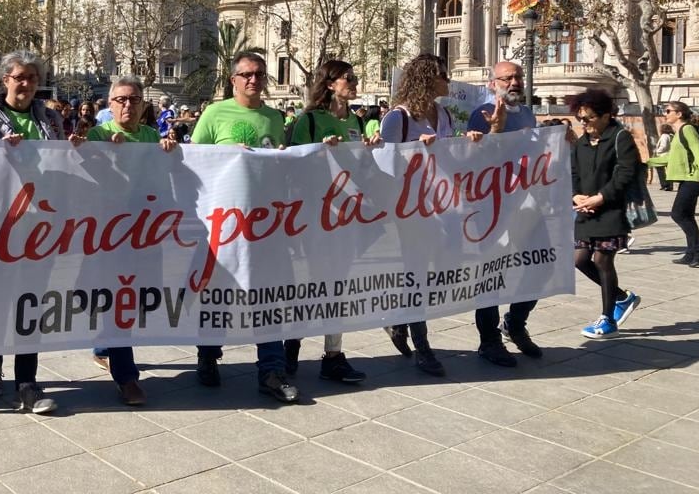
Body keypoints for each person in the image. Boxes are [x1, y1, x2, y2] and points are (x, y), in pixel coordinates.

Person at [190, 51, 298, 403]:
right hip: (223, 224)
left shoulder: (274, 117)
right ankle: (208, 354)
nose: (254, 80)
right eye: (247, 74)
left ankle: (271, 369)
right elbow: (194, 161)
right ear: (233, 79)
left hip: (266, 223)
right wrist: (226, 156)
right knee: (218, 290)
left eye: (260, 74)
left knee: (269, 295)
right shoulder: (214, 113)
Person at [0, 51, 71, 414]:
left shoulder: (50, 117)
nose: (26, 83)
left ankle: (27, 380)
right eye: (19, 77)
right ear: (5, 81)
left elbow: (63, 160)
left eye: (31, 77)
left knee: (31, 301)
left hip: (39, 227)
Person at [76, 76, 178, 406]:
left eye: (134, 100)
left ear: (144, 105)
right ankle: (127, 377)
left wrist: (169, 152)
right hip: (108, 233)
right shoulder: (98, 135)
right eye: (120, 100)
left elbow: (161, 179)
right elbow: (88, 177)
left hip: (142, 232)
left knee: (131, 299)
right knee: (118, 298)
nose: (127, 106)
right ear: (109, 104)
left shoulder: (151, 136)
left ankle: (105, 347)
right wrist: (101, 155)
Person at [379, 54, 482, 377]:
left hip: (442, 207)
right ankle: (423, 346)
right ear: (427, 78)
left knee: (441, 267)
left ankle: (397, 317)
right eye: (443, 75)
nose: (448, 81)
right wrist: (415, 152)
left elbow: (450, 156)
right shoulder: (399, 118)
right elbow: (385, 166)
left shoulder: (443, 114)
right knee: (417, 274)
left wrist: (467, 144)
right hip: (410, 211)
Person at [284, 59, 371, 385]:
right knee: (310, 285)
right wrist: (318, 151)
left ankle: (333, 354)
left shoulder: (355, 121)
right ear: (331, 83)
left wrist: (370, 153)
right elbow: (292, 162)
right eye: (349, 77)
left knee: (339, 286)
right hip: (314, 216)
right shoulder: (309, 119)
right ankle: (290, 348)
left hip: (347, 215)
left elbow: (360, 169)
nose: (355, 82)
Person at [466, 61, 542, 366]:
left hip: (527, 202)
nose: (514, 82)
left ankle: (515, 323)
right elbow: (476, 160)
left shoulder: (526, 113)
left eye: (518, 77)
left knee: (540, 265)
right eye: (507, 78)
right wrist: (495, 130)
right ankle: (489, 341)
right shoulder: (480, 113)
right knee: (491, 276)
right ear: (492, 83)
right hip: (492, 207)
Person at [570, 89, 642, 337]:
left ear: (605, 116)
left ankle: (607, 319)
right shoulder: (580, 142)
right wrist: (576, 195)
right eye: (580, 118)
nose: (584, 123)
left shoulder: (620, 137)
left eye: (589, 118)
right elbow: (574, 173)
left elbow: (625, 173)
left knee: (602, 261)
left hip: (610, 210)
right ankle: (622, 297)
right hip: (585, 210)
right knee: (579, 260)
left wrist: (600, 197)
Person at [647, 102, 699, 266]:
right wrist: (647, 162)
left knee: (678, 214)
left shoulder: (687, 129)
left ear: (679, 114)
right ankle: (691, 253)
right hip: (687, 178)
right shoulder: (678, 131)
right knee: (687, 215)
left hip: (694, 178)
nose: (665, 113)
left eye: (667, 111)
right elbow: (670, 158)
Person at [653, 124, 674, 191]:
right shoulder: (671, 136)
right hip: (670, 155)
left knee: (660, 169)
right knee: (669, 171)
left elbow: (663, 146)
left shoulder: (664, 136)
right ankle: (669, 185)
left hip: (662, 155)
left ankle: (664, 185)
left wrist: (657, 151)